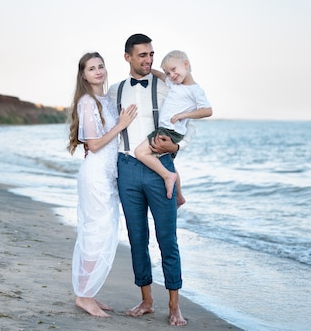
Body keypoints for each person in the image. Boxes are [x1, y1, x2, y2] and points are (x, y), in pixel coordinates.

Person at [108, 34, 195, 327]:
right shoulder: (114, 91)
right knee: (137, 238)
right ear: (128, 57)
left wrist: (178, 147)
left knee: (167, 238)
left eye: (151, 54)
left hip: (162, 168)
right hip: (127, 169)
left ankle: (174, 306)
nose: (148, 60)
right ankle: (146, 300)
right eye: (142, 55)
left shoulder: (168, 87)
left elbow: (187, 125)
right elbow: (107, 132)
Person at [67, 52, 138, 318]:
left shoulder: (105, 100)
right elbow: (94, 144)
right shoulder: (87, 102)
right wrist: (120, 125)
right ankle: (84, 297)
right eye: (91, 68)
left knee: (101, 232)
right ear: (83, 75)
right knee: (97, 233)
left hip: (107, 175)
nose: (98, 71)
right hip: (95, 175)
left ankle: (87, 292)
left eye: (100, 66)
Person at [135, 50, 212, 207]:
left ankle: (168, 177)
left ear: (186, 64)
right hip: (168, 130)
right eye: (168, 72)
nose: (171, 75)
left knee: (140, 153)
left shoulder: (195, 90)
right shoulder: (174, 83)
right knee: (168, 162)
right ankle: (179, 196)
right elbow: (162, 77)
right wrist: (149, 70)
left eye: (174, 70)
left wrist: (184, 114)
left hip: (170, 131)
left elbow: (207, 111)